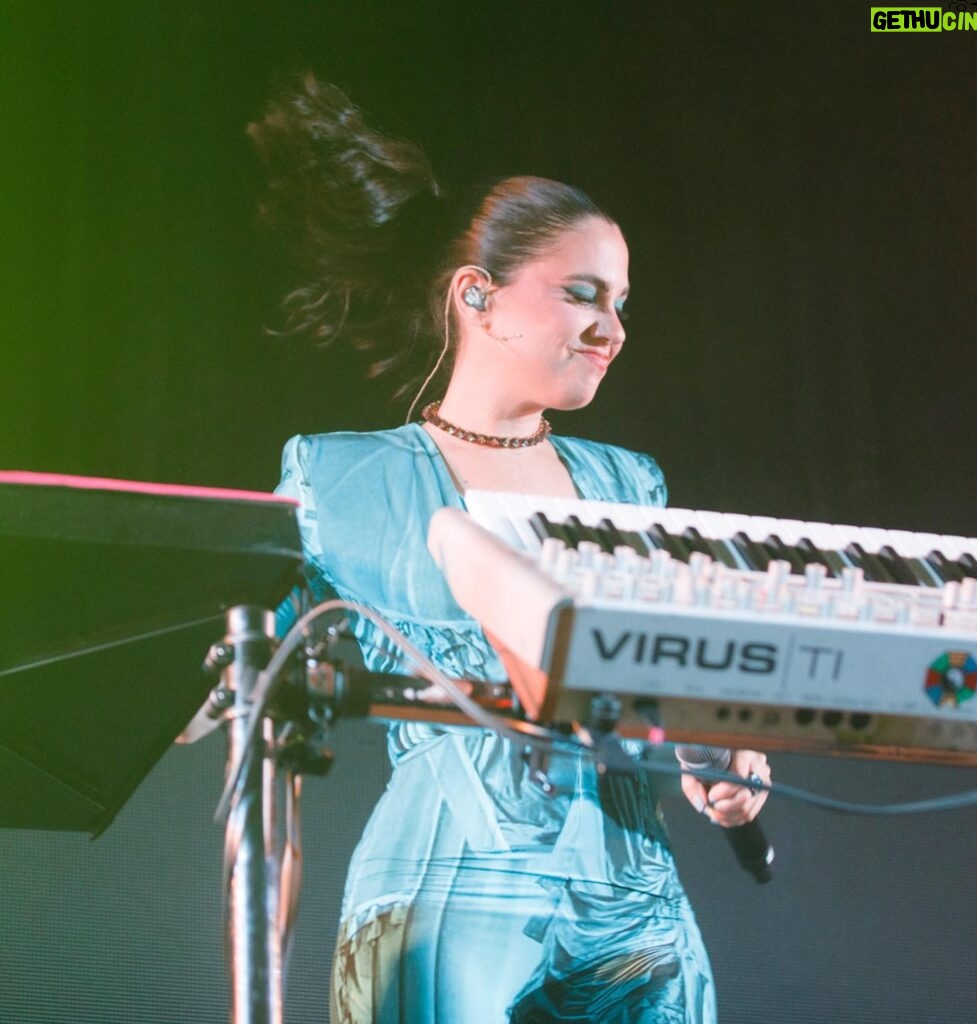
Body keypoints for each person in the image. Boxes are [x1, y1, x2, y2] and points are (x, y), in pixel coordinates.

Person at [253, 75, 770, 1024]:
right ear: (477, 296)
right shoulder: (339, 480)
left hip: (635, 905)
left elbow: (677, 690)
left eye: (619, 300)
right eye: (582, 295)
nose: (612, 328)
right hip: (446, 895)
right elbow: (254, 719)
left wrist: (722, 757)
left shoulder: (631, 486)